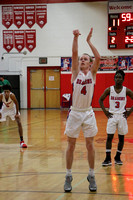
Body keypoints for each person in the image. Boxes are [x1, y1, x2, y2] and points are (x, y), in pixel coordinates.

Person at [64, 28, 100, 192]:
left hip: (88, 112)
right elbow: (74, 52)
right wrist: (76, 38)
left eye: (85, 59)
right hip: (75, 112)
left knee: (90, 145)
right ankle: (68, 175)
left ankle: (91, 175)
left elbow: (98, 57)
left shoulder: (92, 74)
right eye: (81, 59)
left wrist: (89, 41)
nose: (82, 60)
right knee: (70, 145)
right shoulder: (75, 73)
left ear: (90, 63)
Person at [99, 70, 133, 166]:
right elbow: (100, 99)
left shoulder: (126, 90)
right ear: (114, 78)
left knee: (121, 138)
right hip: (112, 116)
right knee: (109, 137)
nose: (118, 79)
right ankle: (107, 158)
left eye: (120, 77)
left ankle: (118, 157)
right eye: (116, 77)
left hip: (122, 116)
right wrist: (106, 112)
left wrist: (129, 112)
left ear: (123, 79)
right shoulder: (109, 90)